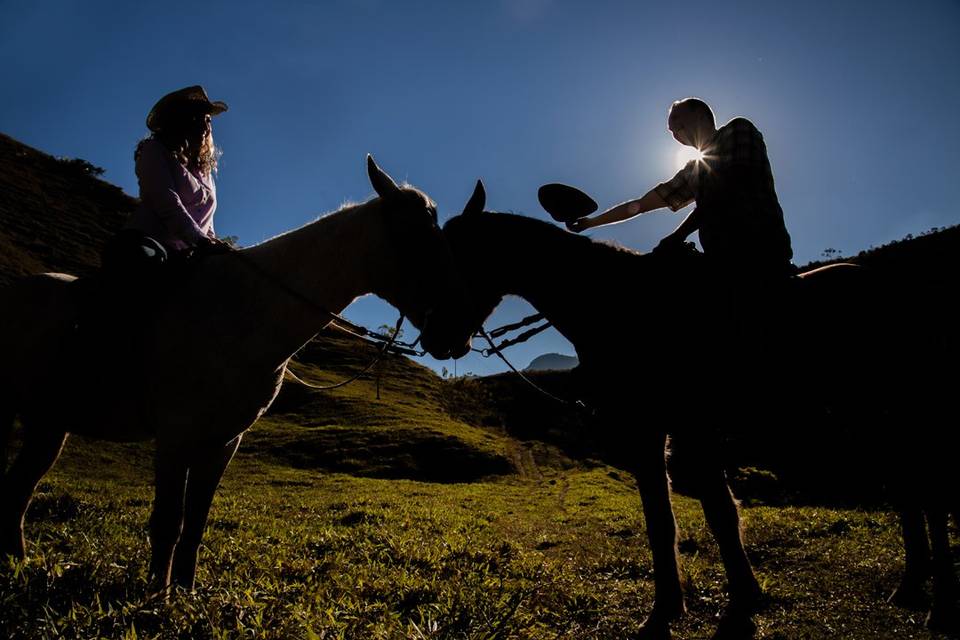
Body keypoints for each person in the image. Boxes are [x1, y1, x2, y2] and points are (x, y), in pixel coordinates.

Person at [568, 97, 793, 282]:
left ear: (703, 114)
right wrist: (590, 222)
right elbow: (640, 205)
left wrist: (676, 237)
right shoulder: (693, 169)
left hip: (761, 251)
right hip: (719, 261)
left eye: (677, 119)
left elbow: (729, 190)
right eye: (670, 129)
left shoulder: (737, 129)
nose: (674, 130)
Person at [103, 85, 232, 272]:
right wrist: (202, 242)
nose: (205, 126)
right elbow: (166, 200)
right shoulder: (154, 150)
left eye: (208, 120)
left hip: (188, 252)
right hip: (149, 242)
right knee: (147, 263)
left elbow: (206, 219)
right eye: (198, 119)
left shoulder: (204, 172)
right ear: (182, 122)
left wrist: (212, 241)